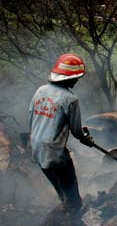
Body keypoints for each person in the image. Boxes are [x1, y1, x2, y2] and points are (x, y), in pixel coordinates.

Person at [29, 53, 95, 215]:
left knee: (60, 188)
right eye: (76, 77)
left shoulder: (41, 90)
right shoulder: (70, 99)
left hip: (37, 147)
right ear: (68, 78)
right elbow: (76, 130)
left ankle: (66, 210)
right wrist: (86, 139)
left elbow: (31, 117)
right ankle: (76, 225)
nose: (77, 81)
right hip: (55, 152)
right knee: (72, 193)